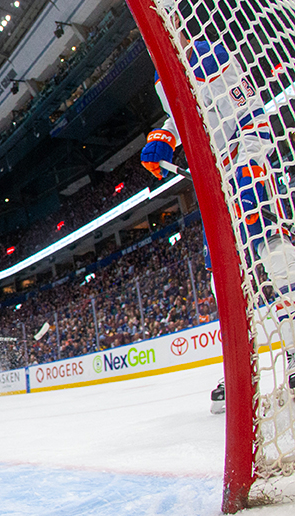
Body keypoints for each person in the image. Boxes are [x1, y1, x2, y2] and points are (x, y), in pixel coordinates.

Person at [140, 0, 294, 410]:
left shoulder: (212, 55)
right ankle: (240, 372)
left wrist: (248, 162)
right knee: (219, 274)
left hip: (245, 170)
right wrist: (162, 137)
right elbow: (186, 118)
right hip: (214, 187)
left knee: (273, 250)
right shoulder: (162, 73)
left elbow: (250, 112)